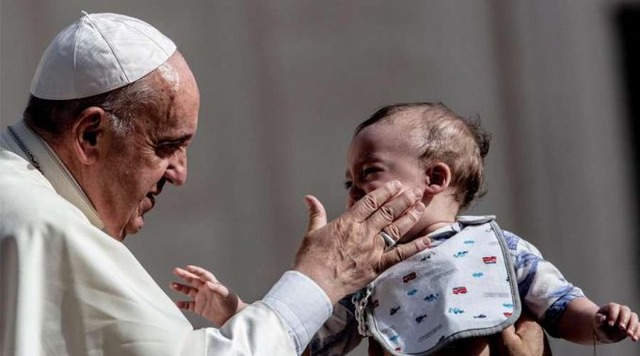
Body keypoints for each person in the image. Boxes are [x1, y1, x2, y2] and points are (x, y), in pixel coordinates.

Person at [0, 13, 432, 356]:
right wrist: (318, 279)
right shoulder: (43, 227)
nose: (180, 175)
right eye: (167, 146)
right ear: (91, 135)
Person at [174, 103, 628, 355]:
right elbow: (311, 339)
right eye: (348, 182)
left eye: (369, 172)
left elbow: (559, 305)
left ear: (434, 179)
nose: (354, 191)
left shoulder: (500, 248)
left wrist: (601, 324)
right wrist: (235, 312)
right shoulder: (365, 273)